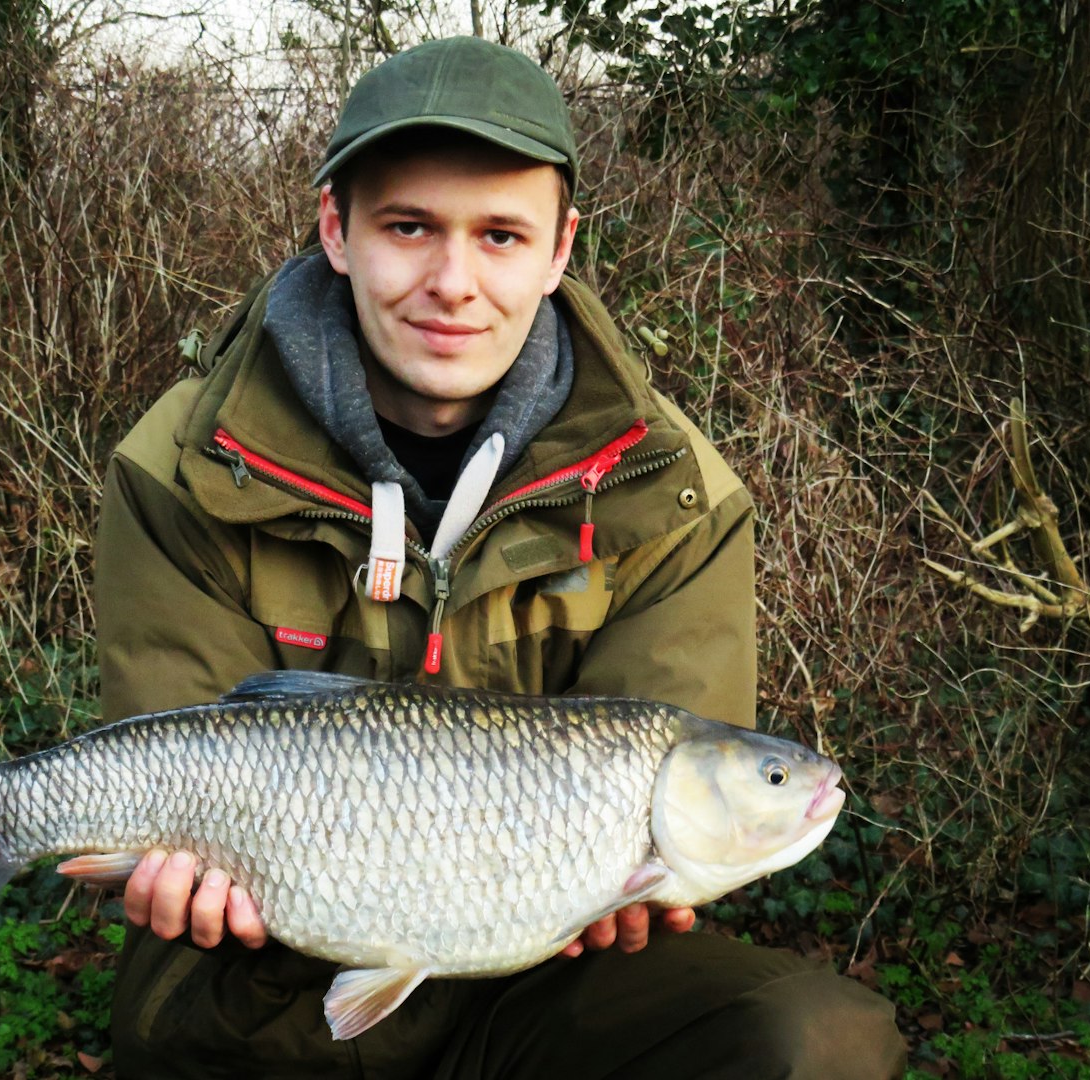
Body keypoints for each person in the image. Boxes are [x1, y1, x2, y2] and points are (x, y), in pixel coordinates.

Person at [94, 35, 907, 1079]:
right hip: (265, 978)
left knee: (817, 1045)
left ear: (561, 251)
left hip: (551, 983)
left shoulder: (673, 493)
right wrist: (180, 872)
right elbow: (176, 751)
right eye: (409, 227)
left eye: (502, 237)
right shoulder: (184, 464)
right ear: (335, 229)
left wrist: (632, 903)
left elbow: (662, 770)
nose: (453, 283)